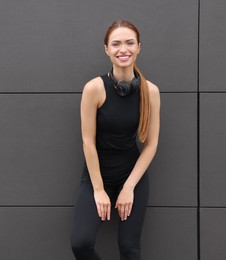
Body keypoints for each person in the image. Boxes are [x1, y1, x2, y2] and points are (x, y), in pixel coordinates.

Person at [70, 20, 160, 260]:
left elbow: (151, 144)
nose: (123, 49)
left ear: (139, 47)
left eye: (130, 43)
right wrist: (99, 190)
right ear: (107, 49)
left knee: (129, 248)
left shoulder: (150, 91)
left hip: (132, 176)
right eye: (116, 43)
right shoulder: (94, 88)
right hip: (97, 176)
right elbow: (87, 142)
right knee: (81, 243)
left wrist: (129, 187)